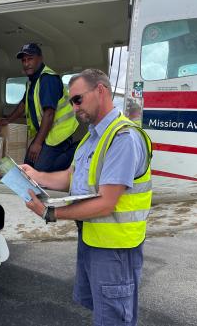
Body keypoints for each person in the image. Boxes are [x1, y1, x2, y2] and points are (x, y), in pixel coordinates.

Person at [23, 69, 152, 326]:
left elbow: (106, 203)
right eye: (71, 102)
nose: (73, 108)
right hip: (93, 239)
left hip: (115, 249)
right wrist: (35, 175)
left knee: (113, 318)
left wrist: (52, 213)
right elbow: (71, 178)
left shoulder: (122, 137)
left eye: (77, 99)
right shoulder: (91, 138)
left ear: (101, 91)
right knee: (102, 311)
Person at [0, 43, 79, 172]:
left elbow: (49, 113)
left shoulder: (48, 79)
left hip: (60, 134)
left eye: (30, 59)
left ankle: (77, 151)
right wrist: (8, 120)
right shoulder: (33, 81)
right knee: (29, 165)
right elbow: (23, 104)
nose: (26, 63)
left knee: (41, 168)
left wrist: (37, 143)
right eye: (24, 60)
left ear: (40, 58)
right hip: (47, 134)